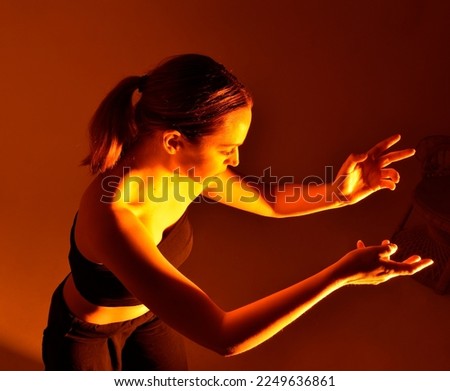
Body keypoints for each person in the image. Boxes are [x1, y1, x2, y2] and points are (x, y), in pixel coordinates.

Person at [42, 53, 433, 370]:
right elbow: (223, 336)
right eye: (226, 149)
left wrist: (338, 194)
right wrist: (340, 275)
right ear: (175, 140)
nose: (236, 159)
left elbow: (268, 201)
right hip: (85, 334)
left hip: (151, 320)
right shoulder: (113, 214)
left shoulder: (188, 171)